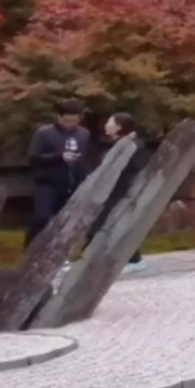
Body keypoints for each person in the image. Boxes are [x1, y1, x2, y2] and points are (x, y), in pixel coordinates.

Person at [88, 113, 152, 274]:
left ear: (119, 126)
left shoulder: (133, 146)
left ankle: (134, 259)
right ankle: (94, 257)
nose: (106, 125)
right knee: (102, 224)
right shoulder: (116, 143)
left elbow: (133, 170)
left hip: (122, 191)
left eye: (110, 122)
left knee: (115, 223)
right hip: (109, 190)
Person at [25, 100, 93, 247]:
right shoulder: (44, 133)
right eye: (67, 120)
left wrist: (86, 174)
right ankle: (29, 249)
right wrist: (58, 156)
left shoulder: (83, 134)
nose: (70, 124)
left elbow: (87, 157)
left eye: (74, 120)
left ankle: (60, 252)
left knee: (69, 221)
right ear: (59, 117)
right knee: (42, 217)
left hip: (73, 181)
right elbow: (34, 157)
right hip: (48, 182)